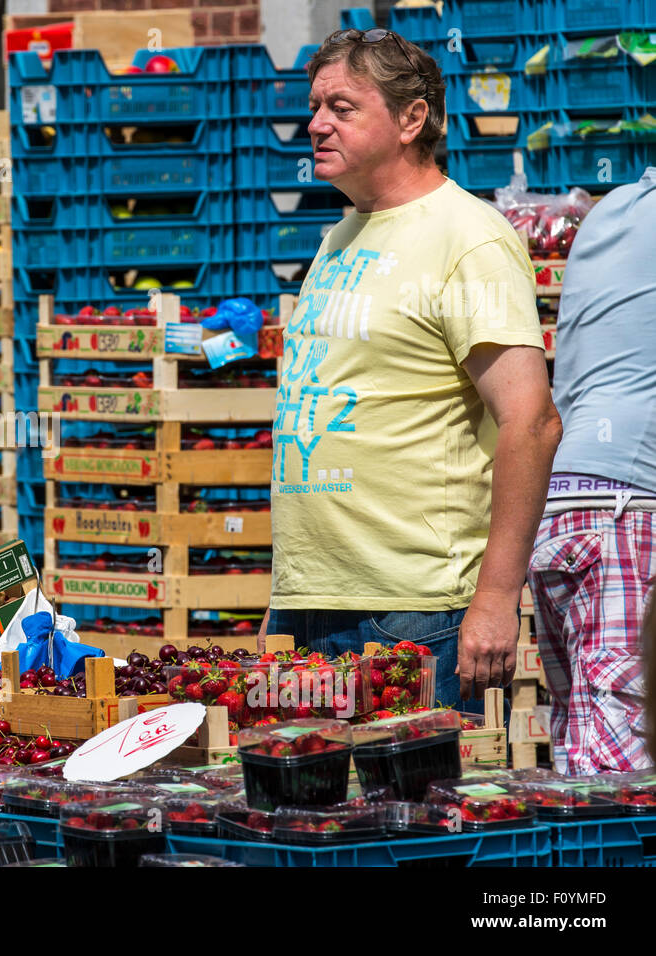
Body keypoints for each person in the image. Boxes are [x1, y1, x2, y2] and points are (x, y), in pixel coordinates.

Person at [259, 30, 562, 710]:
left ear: (411, 118)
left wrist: (495, 596)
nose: (315, 124)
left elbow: (532, 421)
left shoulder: (469, 238)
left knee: (410, 816)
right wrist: (282, 603)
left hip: (418, 612)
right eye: (314, 106)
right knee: (316, 815)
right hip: (314, 602)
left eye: (341, 106)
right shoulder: (339, 237)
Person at [527, 168, 656, 774]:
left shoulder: (613, 210)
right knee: (618, 772)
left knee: (584, 745)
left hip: (563, 510)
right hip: (625, 516)